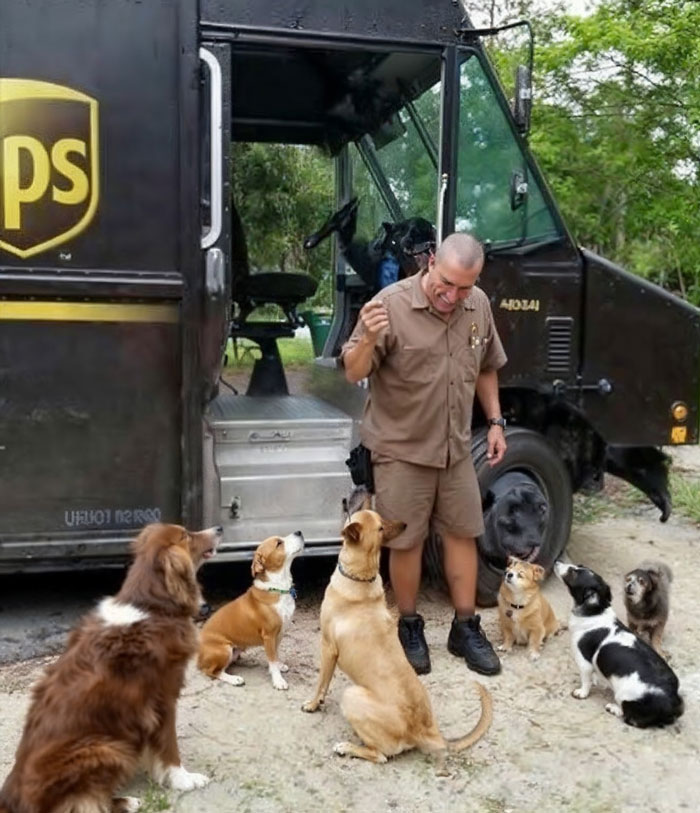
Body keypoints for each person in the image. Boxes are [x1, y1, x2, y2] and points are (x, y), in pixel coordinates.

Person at [340, 232, 507, 676]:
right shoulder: (389, 304)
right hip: (401, 450)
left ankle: (465, 627)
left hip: (455, 447)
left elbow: (487, 365)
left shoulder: (478, 306)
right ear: (431, 261)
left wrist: (495, 422)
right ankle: (409, 626)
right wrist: (367, 337)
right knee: (406, 542)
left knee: (464, 533)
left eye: (464, 287)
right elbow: (353, 371)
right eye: (447, 283)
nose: (453, 296)